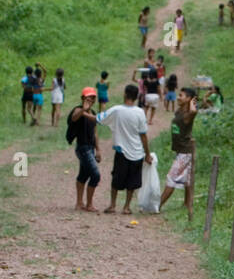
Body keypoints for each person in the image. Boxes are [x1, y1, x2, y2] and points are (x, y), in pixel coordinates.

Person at [99, 84, 152, 215]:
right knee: (132, 181)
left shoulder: (117, 110)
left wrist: (84, 112)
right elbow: (143, 135)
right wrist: (147, 154)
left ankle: (112, 205)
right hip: (137, 151)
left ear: (125, 94)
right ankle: (126, 207)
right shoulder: (140, 112)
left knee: (116, 178)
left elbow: (99, 118)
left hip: (121, 151)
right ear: (136, 97)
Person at [159, 87, 198, 220]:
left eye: (181, 95)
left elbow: (194, 111)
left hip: (185, 152)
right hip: (181, 150)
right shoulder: (179, 111)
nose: (178, 97)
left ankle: (157, 205)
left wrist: (192, 102)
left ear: (188, 99)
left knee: (171, 178)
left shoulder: (189, 114)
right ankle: (187, 203)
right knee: (187, 179)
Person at [66, 88, 102, 212]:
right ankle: (89, 204)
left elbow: (95, 132)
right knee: (95, 175)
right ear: (82, 98)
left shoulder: (92, 112)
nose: (91, 99)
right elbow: (74, 118)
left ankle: (79, 203)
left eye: (93, 97)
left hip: (90, 148)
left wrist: (98, 150)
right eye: (88, 97)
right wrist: (83, 108)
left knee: (83, 175)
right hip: (82, 148)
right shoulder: (78, 110)